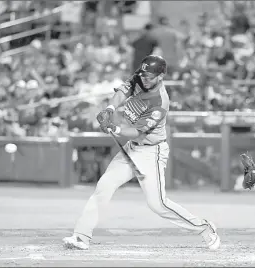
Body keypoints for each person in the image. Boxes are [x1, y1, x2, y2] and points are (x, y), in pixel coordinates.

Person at [62, 55, 221, 251]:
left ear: (161, 76)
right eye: (143, 75)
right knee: (104, 186)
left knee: (158, 205)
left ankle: (204, 228)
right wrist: (110, 108)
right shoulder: (140, 77)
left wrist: (115, 128)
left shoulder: (160, 102)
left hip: (151, 152)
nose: (144, 79)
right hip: (132, 149)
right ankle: (81, 236)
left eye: (149, 77)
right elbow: (123, 90)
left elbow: (138, 131)